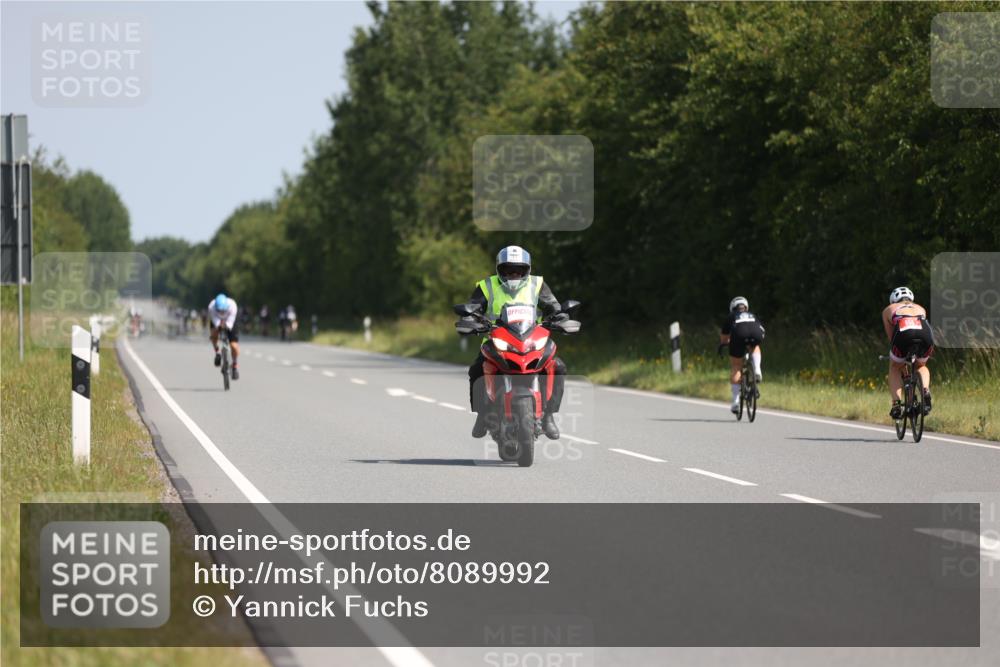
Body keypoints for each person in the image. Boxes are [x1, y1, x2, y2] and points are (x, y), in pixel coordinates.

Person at [465, 245, 567, 440]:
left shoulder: (537, 284)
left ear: (526, 270)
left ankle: (548, 417)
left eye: (518, 270)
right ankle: (481, 415)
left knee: (558, 367)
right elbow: (473, 308)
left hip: (532, 340)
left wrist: (560, 316)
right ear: (499, 270)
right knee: (476, 369)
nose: (513, 274)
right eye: (508, 270)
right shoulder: (487, 285)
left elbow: (553, 306)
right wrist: (471, 319)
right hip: (496, 341)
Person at [882, 286, 934, 418]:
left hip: (903, 335)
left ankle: (896, 405)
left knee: (894, 367)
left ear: (893, 300)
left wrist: (900, 361)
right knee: (921, 365)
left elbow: (891, 338)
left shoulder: (889, 310)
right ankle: (925, 391)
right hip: (925, 335)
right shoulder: (920, 308)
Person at [718, 296, 765, 414]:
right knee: (755, 346)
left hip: (739, 335)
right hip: (756, 332)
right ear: (746, 306)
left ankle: (735, 402)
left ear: (732, 308)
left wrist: (726, 343)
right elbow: (761, 330)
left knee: (736, 366)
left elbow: (724, 339)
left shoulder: (731, 316)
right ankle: (757, 369)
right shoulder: (752, 314)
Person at [209, 293, 241, 380]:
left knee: (234, 345)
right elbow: (215, 321)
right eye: (219, 310)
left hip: (230, 319)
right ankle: (217, 352)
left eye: (223, 310)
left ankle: (234, 365)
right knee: (213, 334)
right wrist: (219, 325)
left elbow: (230, 323)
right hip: (217, 320)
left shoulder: (232, 306)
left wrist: (226, 325)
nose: (222, 312)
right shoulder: (211, 307)